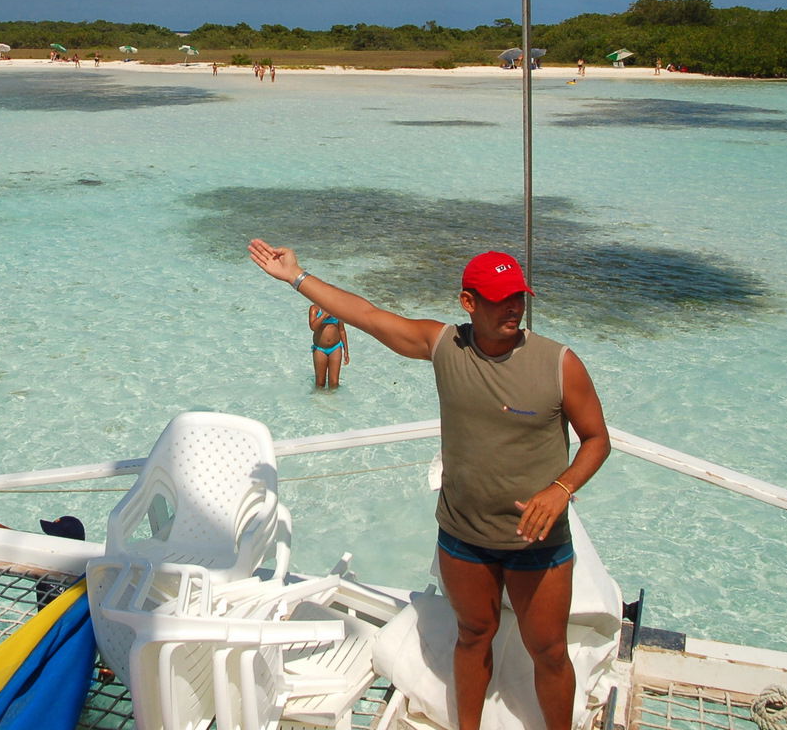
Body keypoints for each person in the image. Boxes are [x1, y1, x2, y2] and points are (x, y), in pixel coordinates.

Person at [248, 240, 609, 730]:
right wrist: (296, 277)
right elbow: (368, 315)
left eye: (518, 297)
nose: (514, 308)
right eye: (501, 298)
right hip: (464, 536)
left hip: (537, 542)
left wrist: (561, 489)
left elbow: (596, 440)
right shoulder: (444, 346)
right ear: (468, 302)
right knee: (473, 634)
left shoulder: (559, 363)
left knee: (547, 649)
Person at [307, 303, 349, 389]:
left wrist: (346, 351)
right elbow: (313, 327)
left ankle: (334, 401)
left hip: (336, 348)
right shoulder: (314, 309)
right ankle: (318, 401)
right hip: (319, 349)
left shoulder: (336, 309)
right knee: (320, 383)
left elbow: (341, 330)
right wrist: (324, 315)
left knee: (334, 383)